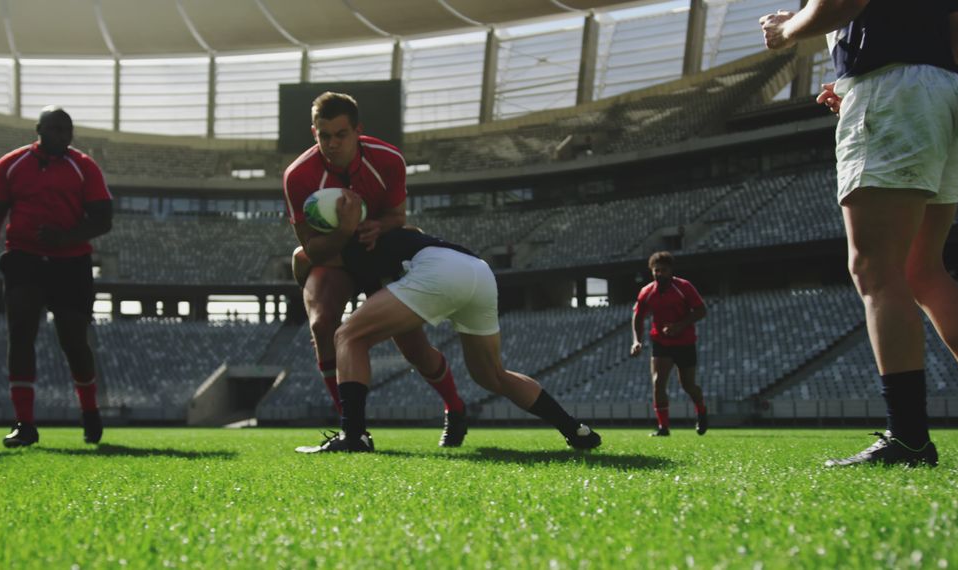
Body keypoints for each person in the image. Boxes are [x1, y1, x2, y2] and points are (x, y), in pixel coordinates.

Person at [761, 1, 958, 466]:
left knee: (876, 269)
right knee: (923, 272)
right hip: (946, 90)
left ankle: (910, 438)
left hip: (896, 91)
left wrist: (787, 30)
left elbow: (838, 4)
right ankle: (910, 436)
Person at [297, 196, 602, 453]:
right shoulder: (392, 235)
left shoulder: (352, 244)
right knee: (492, 375)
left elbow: (305, 257)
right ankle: (574, 429)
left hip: (438, 272)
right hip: (477, 271)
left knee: (348, 336)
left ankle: (354, 436)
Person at [284, 92, 468, 447]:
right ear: (314, 133)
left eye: (341, 134)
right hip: (335, 258)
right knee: (323, 325)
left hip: (379, 254)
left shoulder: (388, 159)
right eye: (324, 136)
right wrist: (343, 230)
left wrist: (378, 227)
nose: (332, 144)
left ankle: (455, 407)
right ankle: (352, 430)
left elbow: (399, 218)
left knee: (413, 347)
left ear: (358, 131)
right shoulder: (298, 176)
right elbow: (312, 249)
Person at [0, 107, 113, 448]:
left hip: (71, 262)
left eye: (67, 129)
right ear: (39, 129)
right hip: (24, 257)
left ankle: (90, 411)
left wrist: (65, 237)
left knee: (72, 339)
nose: (63, 135)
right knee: (21, 333)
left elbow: (103, 219)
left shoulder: (84, 166)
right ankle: (24, 423)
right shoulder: (11, 164)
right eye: (55, 128)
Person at [629, 251, 708, 437]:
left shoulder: (684, 287)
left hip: (685, 341)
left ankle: (702, 411)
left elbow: (701, 310)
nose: (659, 274)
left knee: (688, 385)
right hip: (661, 342)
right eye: (656, 270)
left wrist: (680, 326)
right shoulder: (647, 292)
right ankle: (663, 427)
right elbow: (638, 317)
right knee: (658, 382)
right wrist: (636, 341)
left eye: (663, 270)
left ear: (671, 271)